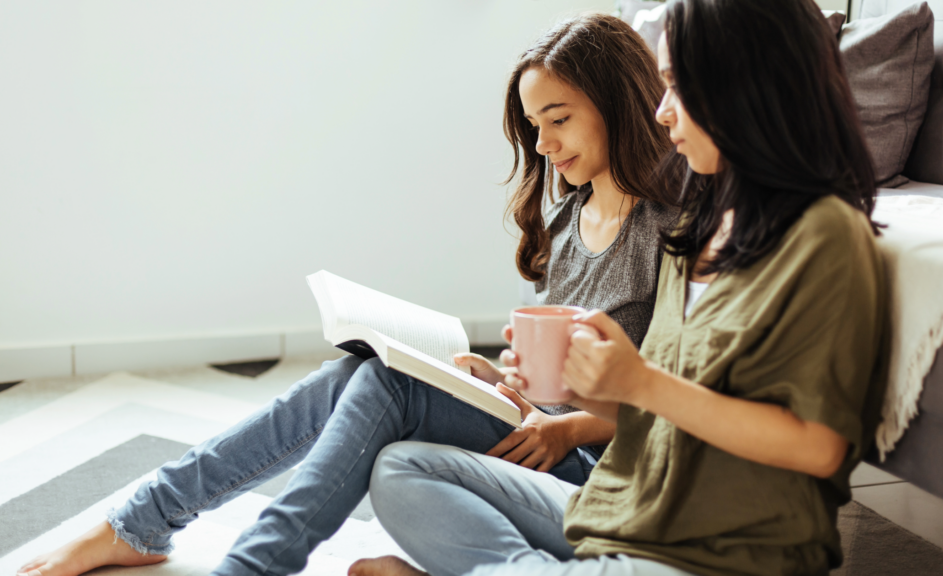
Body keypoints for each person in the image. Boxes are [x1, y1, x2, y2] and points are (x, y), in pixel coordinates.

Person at [15, 13, 681, 576]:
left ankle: (212, 548)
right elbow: (556, 375)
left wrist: (571, 424)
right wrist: (501, 382)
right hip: (533, 432)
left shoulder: (673, 229)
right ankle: (149, 523)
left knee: (384, 388)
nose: (542, 144)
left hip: (600, 460)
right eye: (534, 125)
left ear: (616, 101)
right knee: (365, 376)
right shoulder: (566, 219)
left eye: (557, 119)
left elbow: (678, 393)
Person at [352, 0, 889, 575]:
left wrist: (640, 383)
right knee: (402, 470)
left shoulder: (825, 235)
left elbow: (818, 447)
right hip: (630, 507)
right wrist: (591, 390)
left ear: (747, 87)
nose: (660, 113)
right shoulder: (705, 227)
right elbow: (662, 407)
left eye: (678, 87)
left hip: (720, 549)